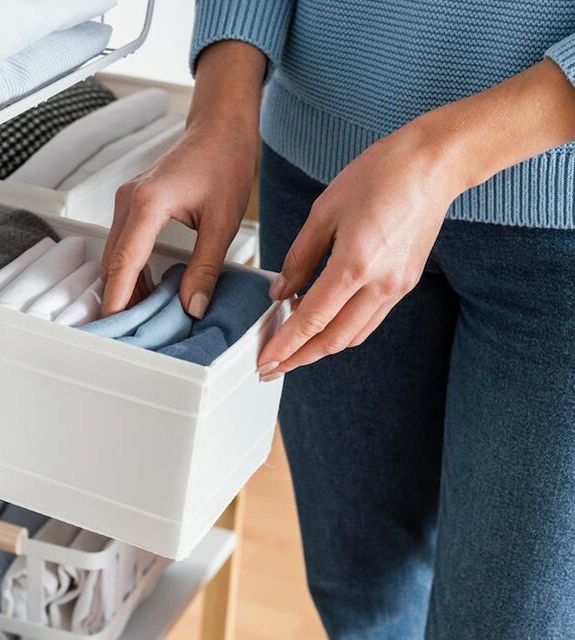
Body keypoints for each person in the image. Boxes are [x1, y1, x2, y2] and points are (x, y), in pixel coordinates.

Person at [100, 2, 575, 638]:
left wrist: (440, 158)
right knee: (356, 586)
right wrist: (220, 115)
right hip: (322, 173)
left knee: (510, 625)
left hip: (559, 233)